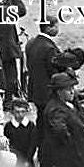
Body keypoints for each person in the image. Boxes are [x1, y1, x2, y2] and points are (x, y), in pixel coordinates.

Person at [25, 15, 60, 149]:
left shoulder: (32, 43)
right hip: (47, 92)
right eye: (56, 26)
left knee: (41, 119)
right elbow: (54, 72)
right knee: (51, 121)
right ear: (49, 28)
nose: (57, 29)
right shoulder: (49, 48)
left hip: (35, 90)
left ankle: (40, 145)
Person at [3, 98, 36, 167]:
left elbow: (33, 144)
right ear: (12, 112)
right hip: (14, 160)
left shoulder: (31, 125)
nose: (20, 114)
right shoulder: (9, 126)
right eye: (17, 112)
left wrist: (27, 161)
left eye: (23, 112)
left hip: (28, 159)